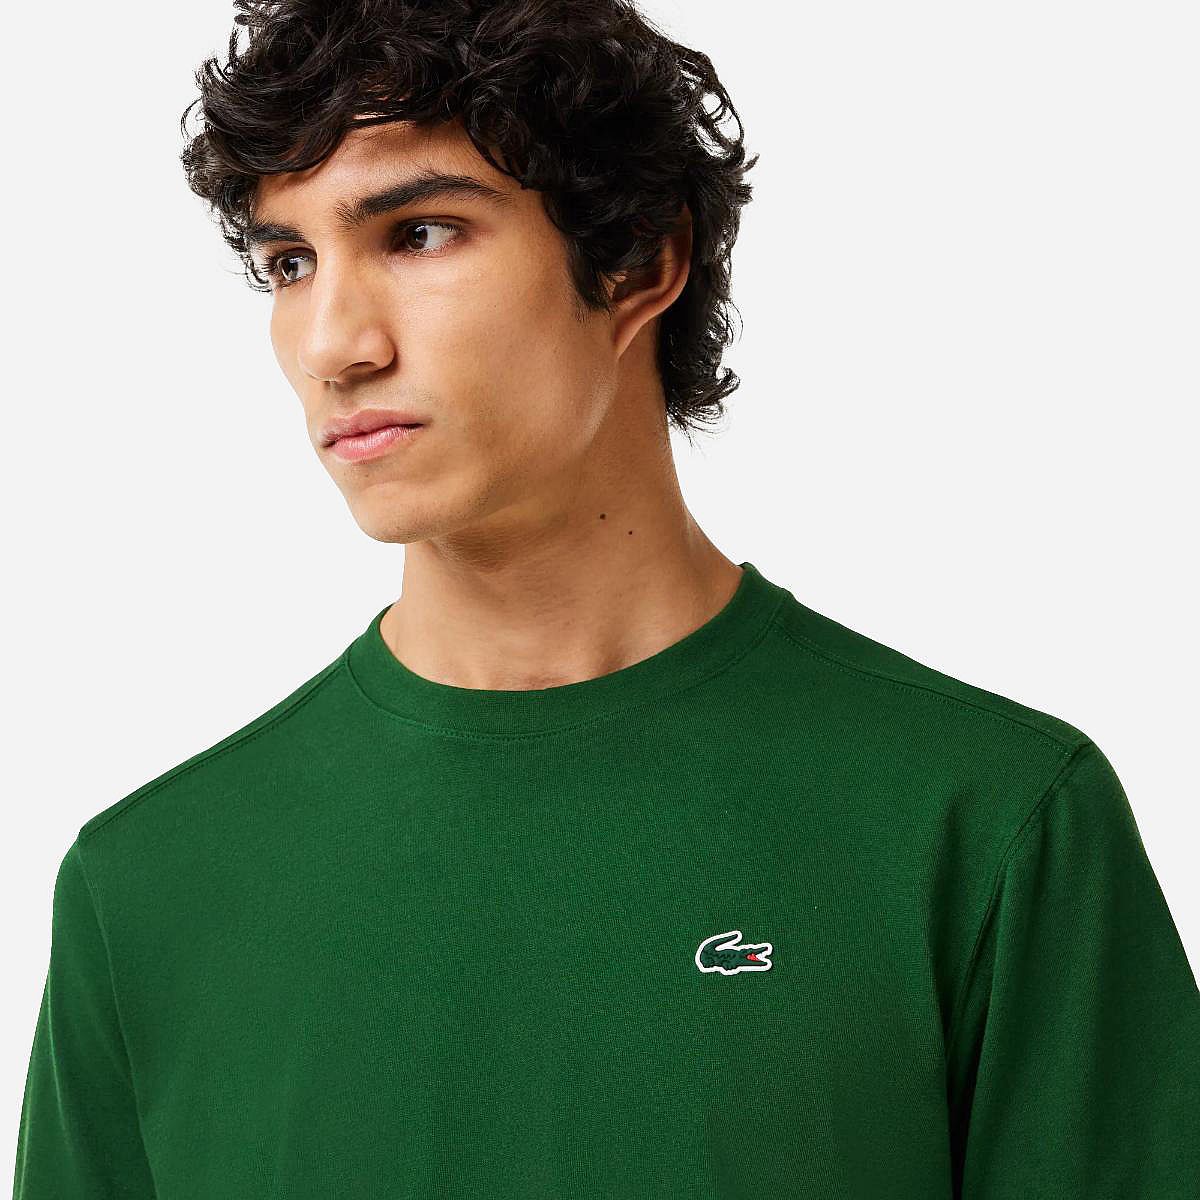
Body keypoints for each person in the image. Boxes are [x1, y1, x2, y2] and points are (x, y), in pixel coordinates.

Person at [12, 1, 1199, 1196]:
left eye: (419, 233)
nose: (334, 344)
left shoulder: (989, 822)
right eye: (289, 262)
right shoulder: (146, 888)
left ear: (638, 262)